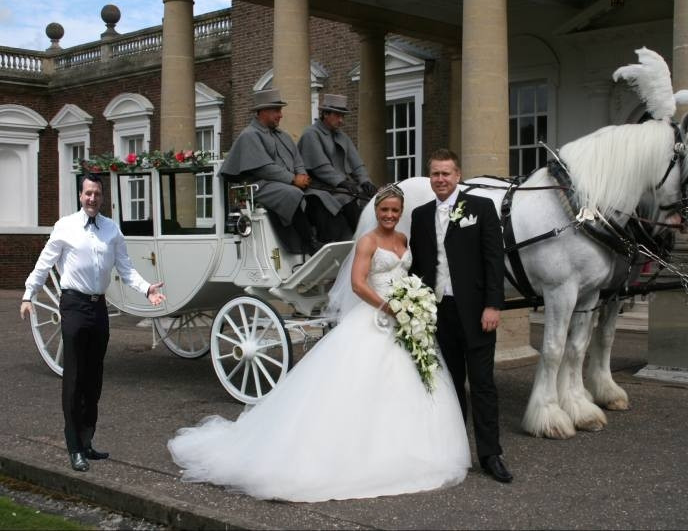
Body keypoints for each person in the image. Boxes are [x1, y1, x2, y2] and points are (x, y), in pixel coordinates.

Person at [168, 184, 470, 503]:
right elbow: (357, 283)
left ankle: (416, 448)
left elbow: (407, 275)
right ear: (377, 211)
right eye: (385, 210)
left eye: (396, 210)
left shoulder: (402, 240)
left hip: (404, 319)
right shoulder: (368, 242)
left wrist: (411, 303)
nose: (390, 215)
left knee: (416, 379)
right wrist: (389, 306)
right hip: (378, 316)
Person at [20, 174, 166, 472]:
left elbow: (126, 269)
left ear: (102, 196)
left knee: (94, 378)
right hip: (73, 305)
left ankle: (87, 441)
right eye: (88, 193)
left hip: (99, 307)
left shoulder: (112, 229)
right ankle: (73, 447)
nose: (92, 198)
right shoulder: (65, 227)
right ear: (80, 195)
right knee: (74, 378)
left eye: (97, 194)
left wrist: (147, 288)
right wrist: (28, 295)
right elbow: (44, 264)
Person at [409, 149, 511, 483]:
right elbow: (419, 267)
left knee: (482, 385)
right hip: (439, 313)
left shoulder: (481, 208)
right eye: (435, 174)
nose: (440, 179)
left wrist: (493, 305)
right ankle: (453, 452)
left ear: (458, 175)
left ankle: (490, 454)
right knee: (449, 387)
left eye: (446, 173)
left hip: (477, 312)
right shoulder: (421, 215)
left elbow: (495, 261)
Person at [219, 88, 345, 254]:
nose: (281, 115)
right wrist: (293, 180)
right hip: (260, 186)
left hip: (285, 183)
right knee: (291, 193)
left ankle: (327, 239)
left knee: (322, 196)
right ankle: (309, 243)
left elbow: (297, 160)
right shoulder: (249, 135)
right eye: (276, 111)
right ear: (263, 112)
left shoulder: (283, 135)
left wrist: (302, 174)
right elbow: (264, 168)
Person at [298, 93, 378, 235]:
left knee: (366, 202)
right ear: (325, 114)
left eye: (343, 116)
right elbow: (321, 168)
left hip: (341, 189)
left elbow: (357, 164)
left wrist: (366, 181)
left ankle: (365, 239)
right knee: (344, 204)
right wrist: (342, 183)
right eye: (338, 116)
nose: (341, 121)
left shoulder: (342, 136)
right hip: (319, 189)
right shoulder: (311, 134)